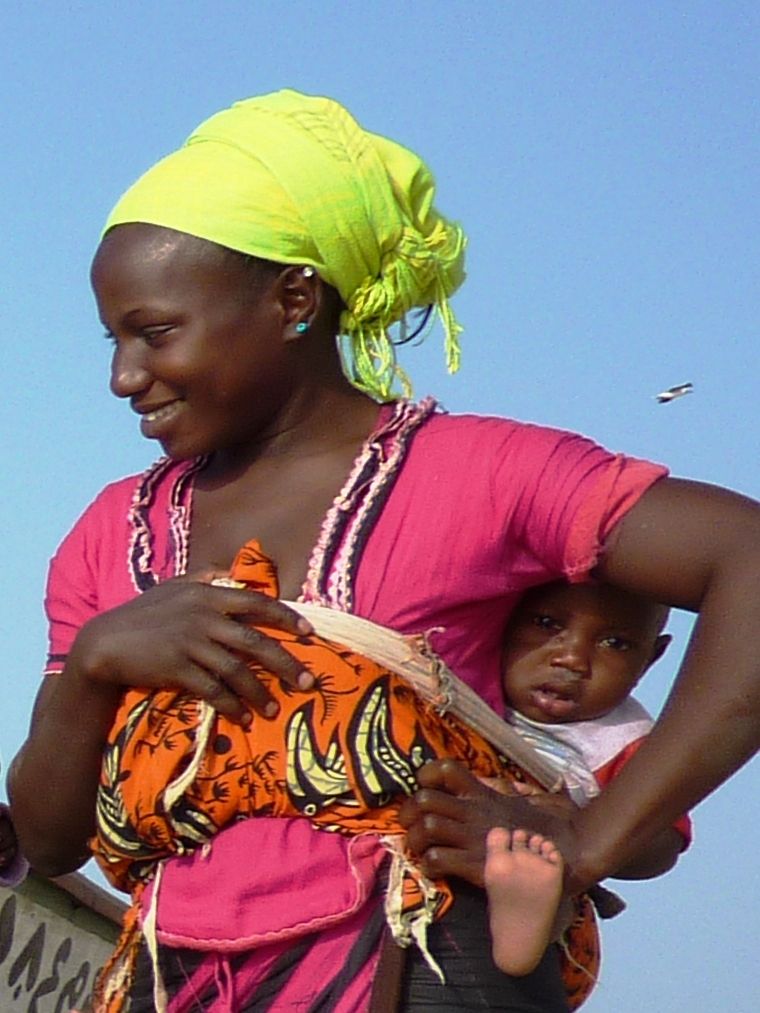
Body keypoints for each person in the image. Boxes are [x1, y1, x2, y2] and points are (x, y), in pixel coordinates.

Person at [8, 89, 760, 1013]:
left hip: (426, 968)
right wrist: (95, 664)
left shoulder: (480, 472)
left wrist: (593, 837)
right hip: (176, 980)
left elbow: (747, 557)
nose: (124, 376)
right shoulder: (108, 535)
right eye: (114, 338)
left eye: (156, 332)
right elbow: (48, 843)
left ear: (293, 299)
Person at [484, 579, 691, 977]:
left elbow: (664, 843)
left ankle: (524, 931)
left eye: (615, 644)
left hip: (557, 926)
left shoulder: (623, 742)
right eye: (546, 623)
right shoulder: (465, 678)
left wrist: (584, 830)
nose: (573, 658)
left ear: (650, 659)